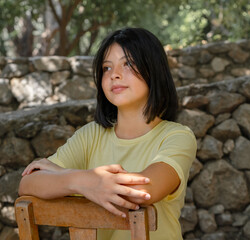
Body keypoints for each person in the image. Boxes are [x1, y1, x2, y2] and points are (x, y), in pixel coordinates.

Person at [18, 27, 197, 240]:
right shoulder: (90, 136)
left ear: (153, 69)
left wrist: (67, 176)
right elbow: (28, 184)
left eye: (128, 64)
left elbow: (143, 190)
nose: (115, 75)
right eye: (106, 67)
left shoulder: (177, 137)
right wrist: (83, 181)